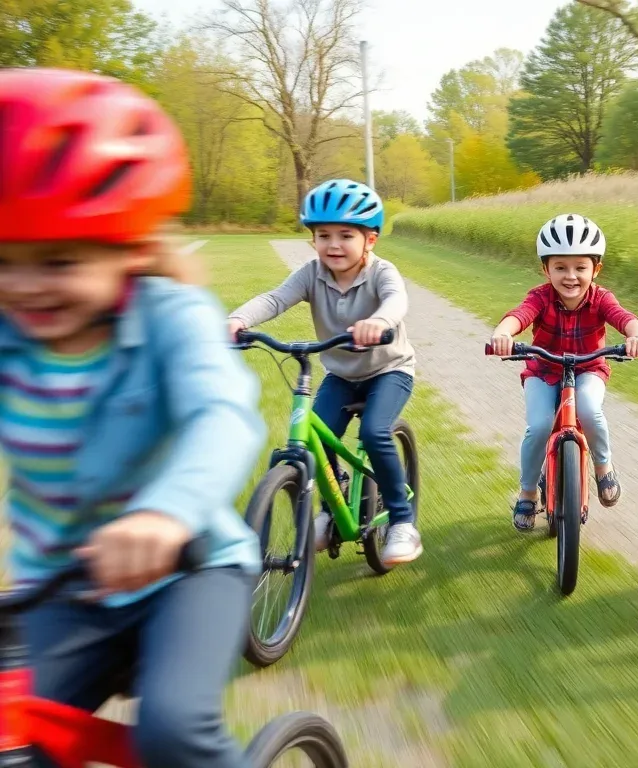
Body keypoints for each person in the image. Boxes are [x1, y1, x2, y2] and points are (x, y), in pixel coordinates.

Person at [0, 67, 265, 767]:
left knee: (173, 731)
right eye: (2, 259)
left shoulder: (169, 316)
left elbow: (223, 415)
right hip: (57, 585)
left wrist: (165, 514)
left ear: (130, 246)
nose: (22, 285)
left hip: (188, 569)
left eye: (57, 259)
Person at [226, 179, 422, 564]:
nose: (333, 244)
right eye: (323, 235)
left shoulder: (383, 272)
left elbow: (396, 301)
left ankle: (402, 522)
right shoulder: (311, 274)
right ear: (312, 240)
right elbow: (275, 298)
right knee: (317, 435)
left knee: (375, 431)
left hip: (389, 369)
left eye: (346, 235)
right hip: (342, 373)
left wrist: (378, 321)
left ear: (371, 239)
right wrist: (238, 318)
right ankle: (331, 509)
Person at [489, 214, 638, 531]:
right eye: (560, 267)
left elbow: (624, 317)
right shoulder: (540, 296)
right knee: (538, 426)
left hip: (588, 368)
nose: (571, 276)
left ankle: (603, 467)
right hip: (543, 370)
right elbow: (519, 316)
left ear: (596, 269)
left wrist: (637, 337)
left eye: (580, 267)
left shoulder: (602, 298)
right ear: (545, 269)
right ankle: (527, 492)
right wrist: (503, 334)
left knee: (591, 411)